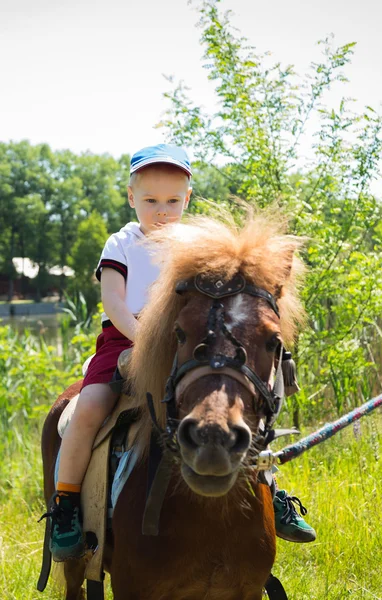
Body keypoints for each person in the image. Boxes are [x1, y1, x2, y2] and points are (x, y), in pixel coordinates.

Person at [44, 144, 314, 562]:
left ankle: (269, 489)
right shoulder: (122, 242)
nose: (162, 210)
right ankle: (65, 506)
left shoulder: (194, 246)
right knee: (90, 409)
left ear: (187, 199)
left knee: (237, 403)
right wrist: (146, 340)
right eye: (150, 200)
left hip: (188, 341)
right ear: (132, 198)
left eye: (172, 200)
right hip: (126, 337)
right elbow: (114, 303)